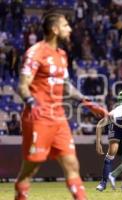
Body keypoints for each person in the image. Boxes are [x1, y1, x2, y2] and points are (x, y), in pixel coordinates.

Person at [15, 11, 106, 200]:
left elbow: (66, 87)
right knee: (32, 167)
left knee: (72, 165)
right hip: (38, 117)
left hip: (58, 118)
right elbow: (23, 85)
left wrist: (87, 103)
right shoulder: (35, 52)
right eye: (66, 25)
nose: (70, 29)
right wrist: (32, 103)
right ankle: (20, 189)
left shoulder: (62, 55)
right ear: (55, 29)